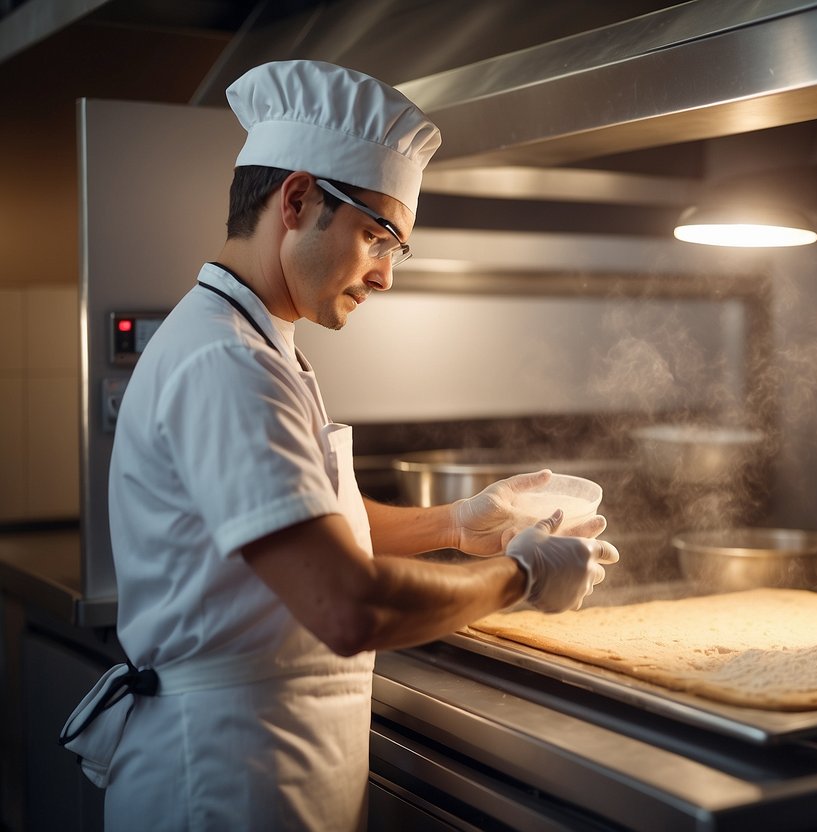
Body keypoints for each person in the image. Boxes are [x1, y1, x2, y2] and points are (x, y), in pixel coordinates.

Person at [59, 60, 619, 831]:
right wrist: (521, 576)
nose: (386, 276)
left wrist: (458, 524)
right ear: (297, 199)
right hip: (224, 779)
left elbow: (304, 522)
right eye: (378, 236)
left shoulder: (258, 341)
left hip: (264, 759)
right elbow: (345, 605)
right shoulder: (226, 363)